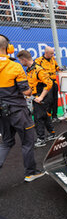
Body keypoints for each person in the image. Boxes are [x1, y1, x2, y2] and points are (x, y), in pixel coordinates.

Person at [0, 35, 45, 182]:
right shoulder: (15, 66)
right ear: (9, 49)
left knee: (6, 143)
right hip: (18, 112)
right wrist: (30, 91)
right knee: (27, 141)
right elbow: (26, 92)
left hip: (2, 113)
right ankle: (30, 172)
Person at [17, 50, 57, 148]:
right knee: (45, 116)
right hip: (36, 96)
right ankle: (52, 134)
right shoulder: (30, 69)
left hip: (42, 97)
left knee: (38, 118)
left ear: (24, 59)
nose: (20, 63)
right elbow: (32, 84)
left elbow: (49, 83)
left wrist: (41, 97)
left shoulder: (38, 69)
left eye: (20, 61)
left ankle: (41, 139)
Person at [35, 46, 60, 123]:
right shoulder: (39, 61)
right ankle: (47, 118)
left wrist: (61, 69)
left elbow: (57, 68)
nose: (53, 55)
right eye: (51, 53)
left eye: (53, 53)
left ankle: (55, 116)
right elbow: (35, 71)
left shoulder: (53, 59)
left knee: (55, 100)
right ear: (46, 53)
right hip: (46, 84)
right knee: (48, 101)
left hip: (54, 82)